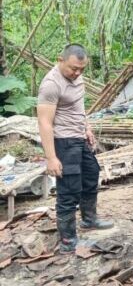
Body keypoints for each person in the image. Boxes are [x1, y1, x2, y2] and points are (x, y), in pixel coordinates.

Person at [37, 44, 113, 254]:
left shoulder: (76, 77)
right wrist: (51, 157)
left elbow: (78, 107)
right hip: (64, 141)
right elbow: (44, 122)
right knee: (69, 190)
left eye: (81, 69)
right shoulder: (51, 84)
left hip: (79, 137)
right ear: (60, 59)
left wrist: (86, 128)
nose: (77, 73)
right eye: (73, 68)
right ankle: (68, 241)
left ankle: (89, 219)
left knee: (91, 175)